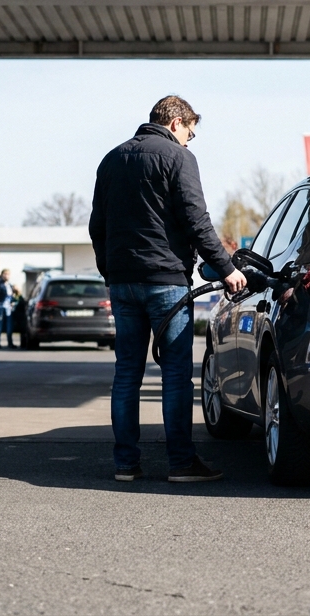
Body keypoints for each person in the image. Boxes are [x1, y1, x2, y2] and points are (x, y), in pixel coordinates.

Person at [90, 95, 247, 483]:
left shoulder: (111, 159)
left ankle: (125, 465)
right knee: (175, 374)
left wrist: (110, 271)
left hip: (123, 283)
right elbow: (196, 220)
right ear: (176, 122)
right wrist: (227, 269)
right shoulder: (178, 158)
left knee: (127, 374)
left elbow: (97, 225)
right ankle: (181, 463)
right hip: (165, 282)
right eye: (190, 133)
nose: (189, 141)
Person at [0, 269, 16, 349]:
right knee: (0, 325)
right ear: (2, 275)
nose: (7, 276)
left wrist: (12, 300)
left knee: (9, 325)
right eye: (5, 274)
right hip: (0, 306)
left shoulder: (9, 284)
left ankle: (10, 343)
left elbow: (11, 295)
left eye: (8, 274)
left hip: (8, 307)